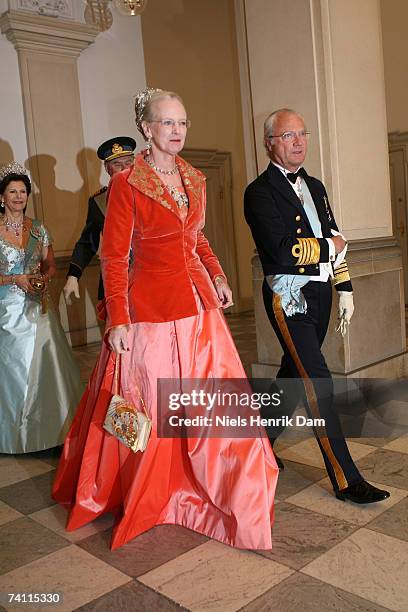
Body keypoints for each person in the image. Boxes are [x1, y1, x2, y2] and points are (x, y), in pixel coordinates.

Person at [52, 88, 278, 550]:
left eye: (183, 123)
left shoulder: (195, 179)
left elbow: (198, 240)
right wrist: (118, 320)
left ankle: (216, 490)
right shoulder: (127, 182)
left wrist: (217, 275)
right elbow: (114, 258)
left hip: (198, 311)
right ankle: (155, 493)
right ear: (147, 129)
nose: (177, 131)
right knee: (151, 409)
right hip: (148, 312)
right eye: (168, 123)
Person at [244, 108, 390, 504]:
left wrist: (345, 289)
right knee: (316, 379)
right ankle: (347, 478)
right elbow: (279, 252)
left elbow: (334, 233)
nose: (298, 141)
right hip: (288, 295)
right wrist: (329, 248)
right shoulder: (257, 192)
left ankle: (253, 444)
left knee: (294, 374)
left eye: (302, 134)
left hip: (321, 292)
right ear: (269, 143)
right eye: (288, 135)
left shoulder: (317, 186)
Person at [0, 162, 81, 453]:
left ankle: (53, 428)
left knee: (50, 361)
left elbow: (50, 264)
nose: (19, 196)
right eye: (13, 191)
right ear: (2, 197)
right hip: (6, 311)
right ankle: (17, 434)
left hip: (38, 306)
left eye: (23, 191)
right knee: (16, 369)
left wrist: (44, 279)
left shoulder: (38, 228)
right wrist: (14, 279)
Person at [63, 137, 136, 303]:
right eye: (117, 164)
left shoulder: (150, 192)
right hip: (116, 279)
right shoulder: (99, 201)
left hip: (150, 274)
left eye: (128, 162)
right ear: (107, 168)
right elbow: (88, 241)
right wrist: (73, 275)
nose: (125, 168)